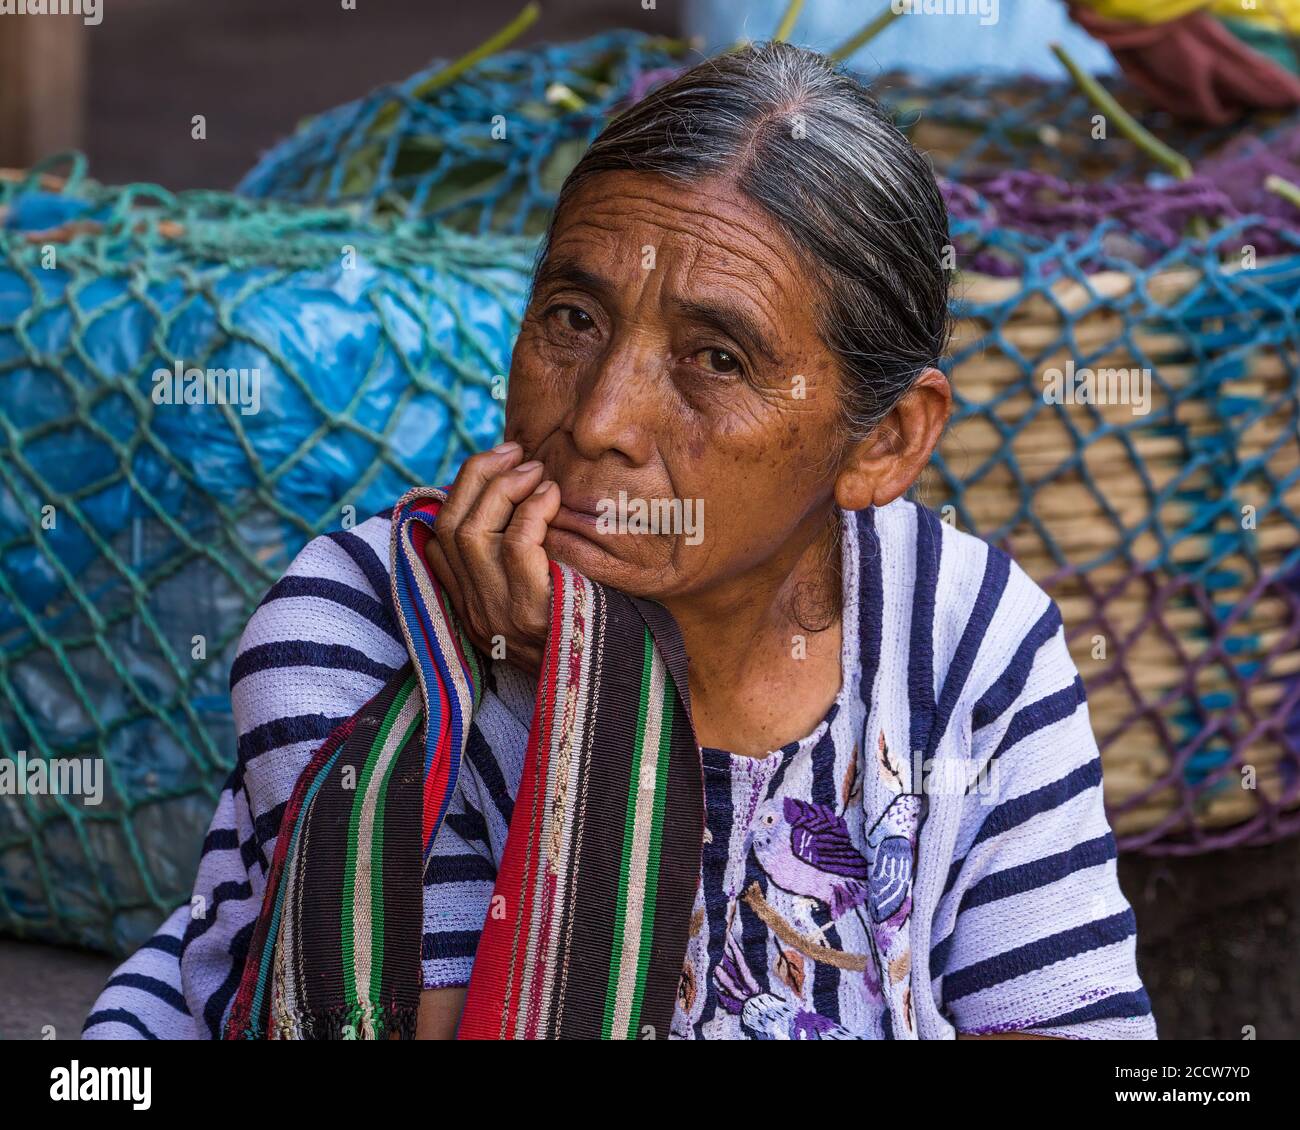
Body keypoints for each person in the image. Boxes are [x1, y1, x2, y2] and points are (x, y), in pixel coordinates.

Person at [84, 40, 1155, 1040]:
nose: (597, 420)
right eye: (573, 320)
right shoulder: (358, 634)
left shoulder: (964, 638)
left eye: (717, 359)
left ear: (883, 443)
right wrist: (596, 689)